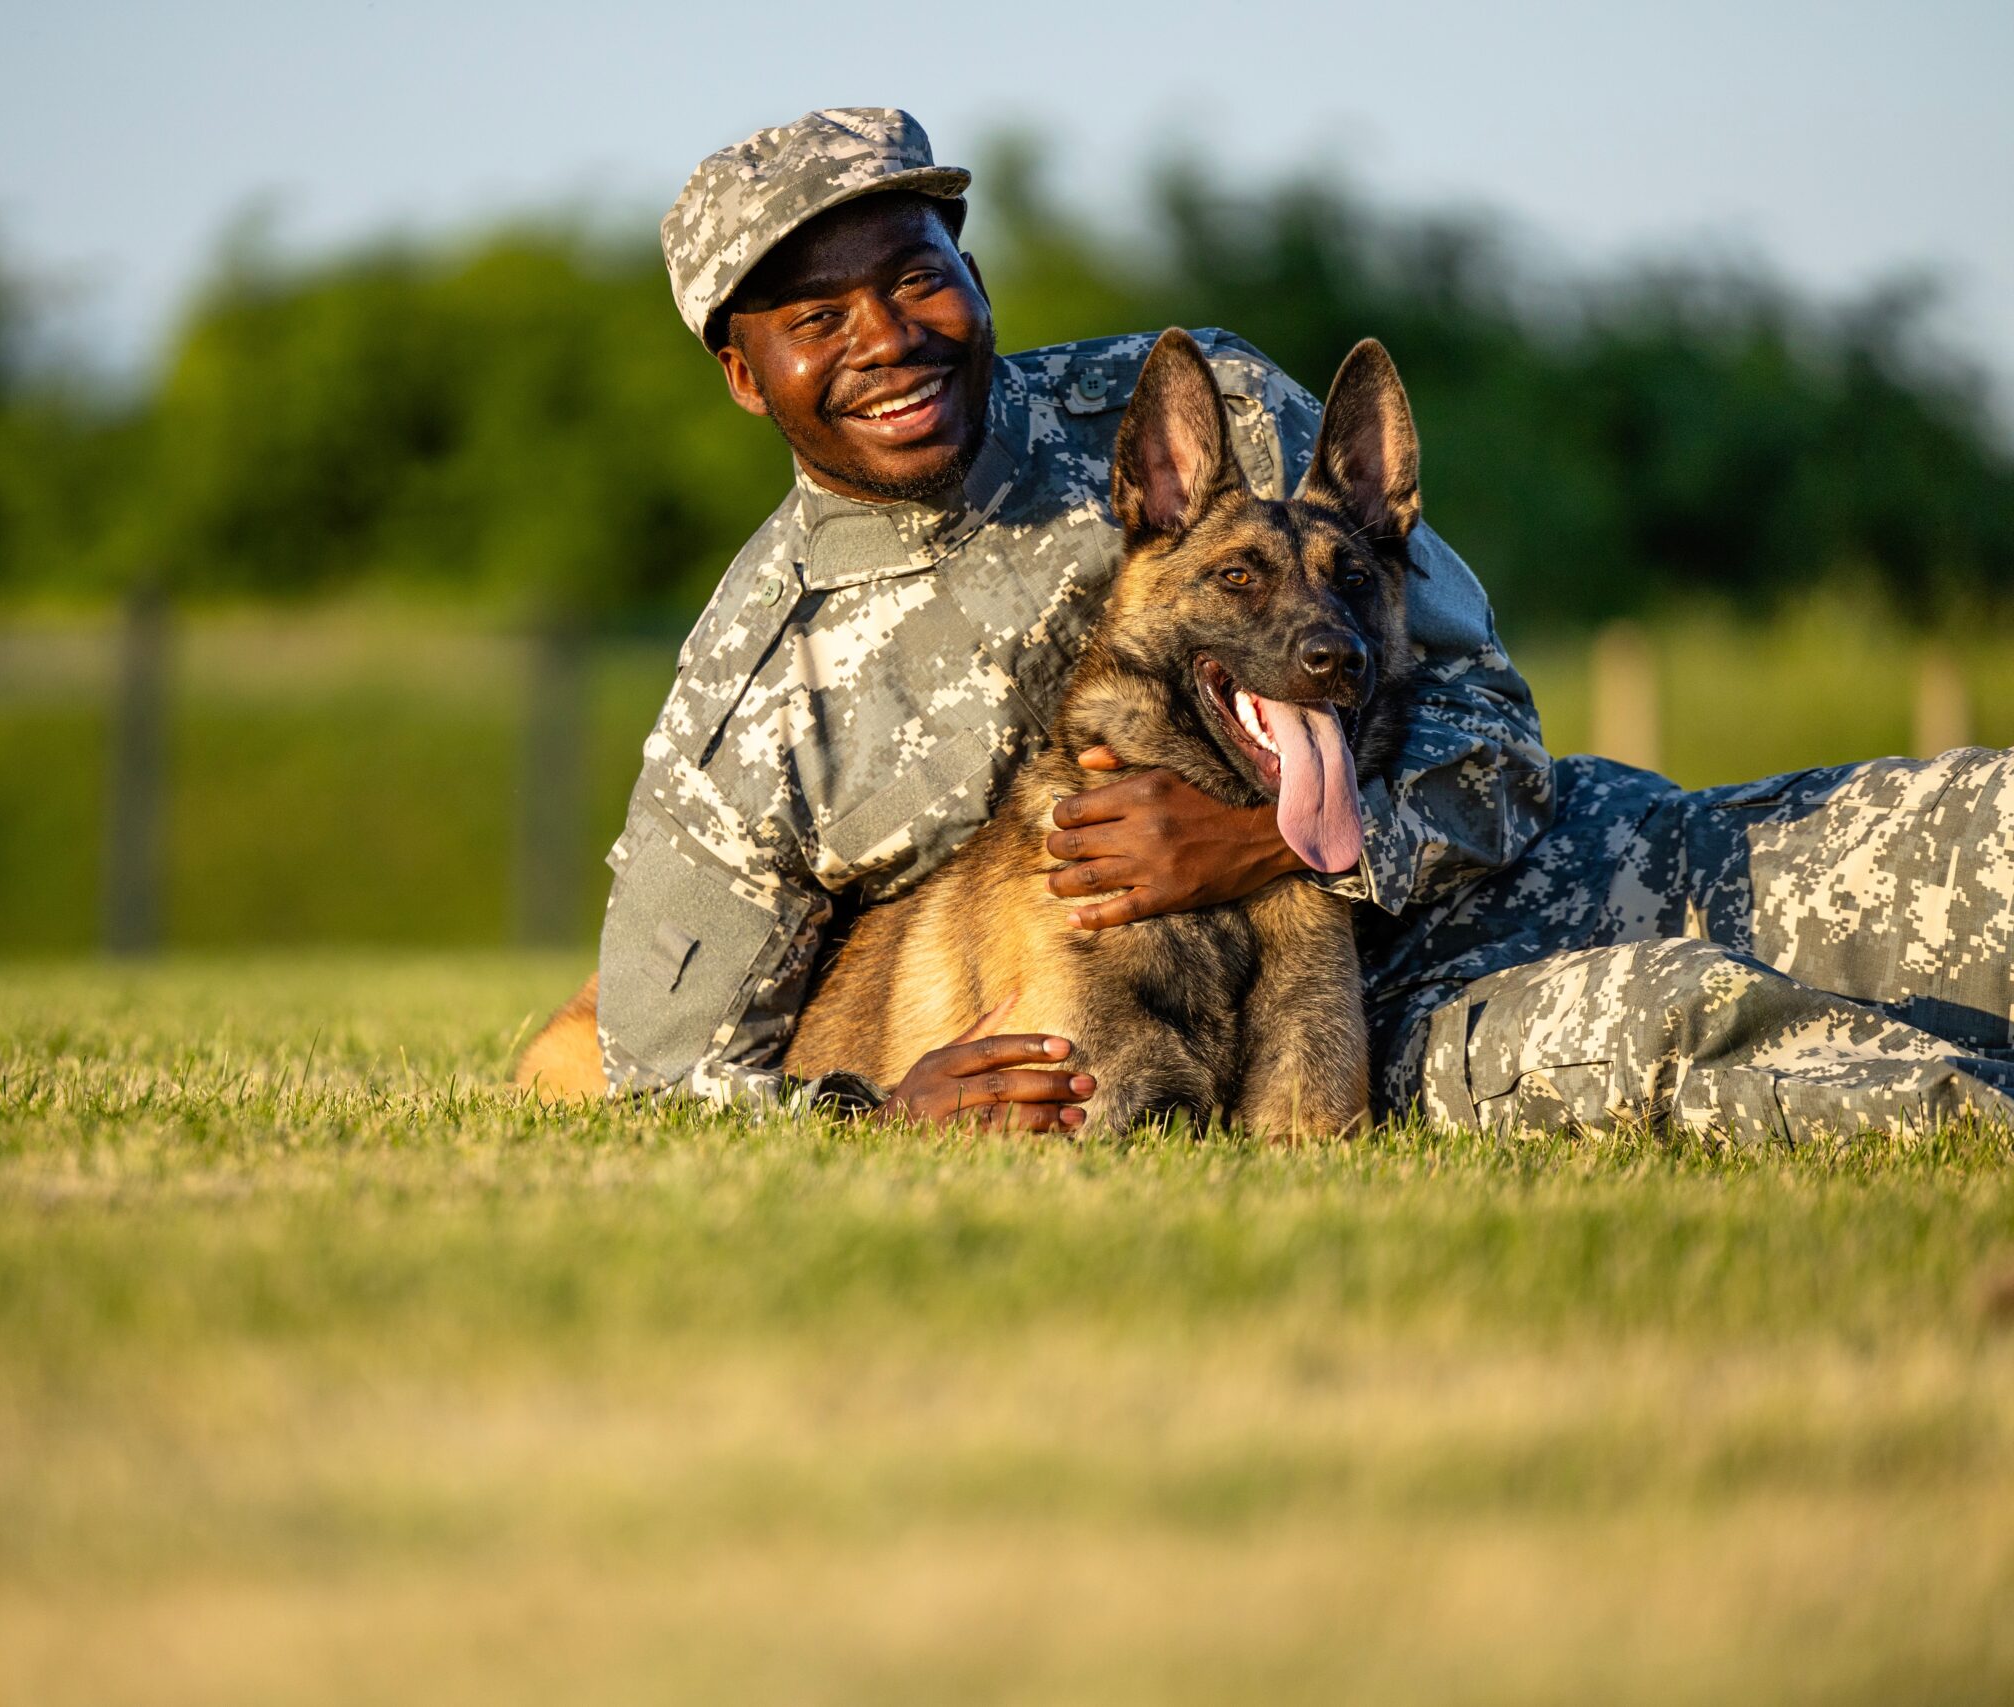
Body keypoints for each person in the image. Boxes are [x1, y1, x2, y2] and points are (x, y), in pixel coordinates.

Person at [595, 106, 2014, 1141]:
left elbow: (1490, 726)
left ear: (972, 282)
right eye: (814, 316)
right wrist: (875, 1112)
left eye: (915, 276)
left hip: (1606, 851)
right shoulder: (755, 691)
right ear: (742, 372)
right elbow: (661, 1077)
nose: (887, 336)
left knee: (1979, 829)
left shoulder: (1195, 403)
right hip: (1361, 1016)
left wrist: (1272, 838)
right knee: (1697, 1027)